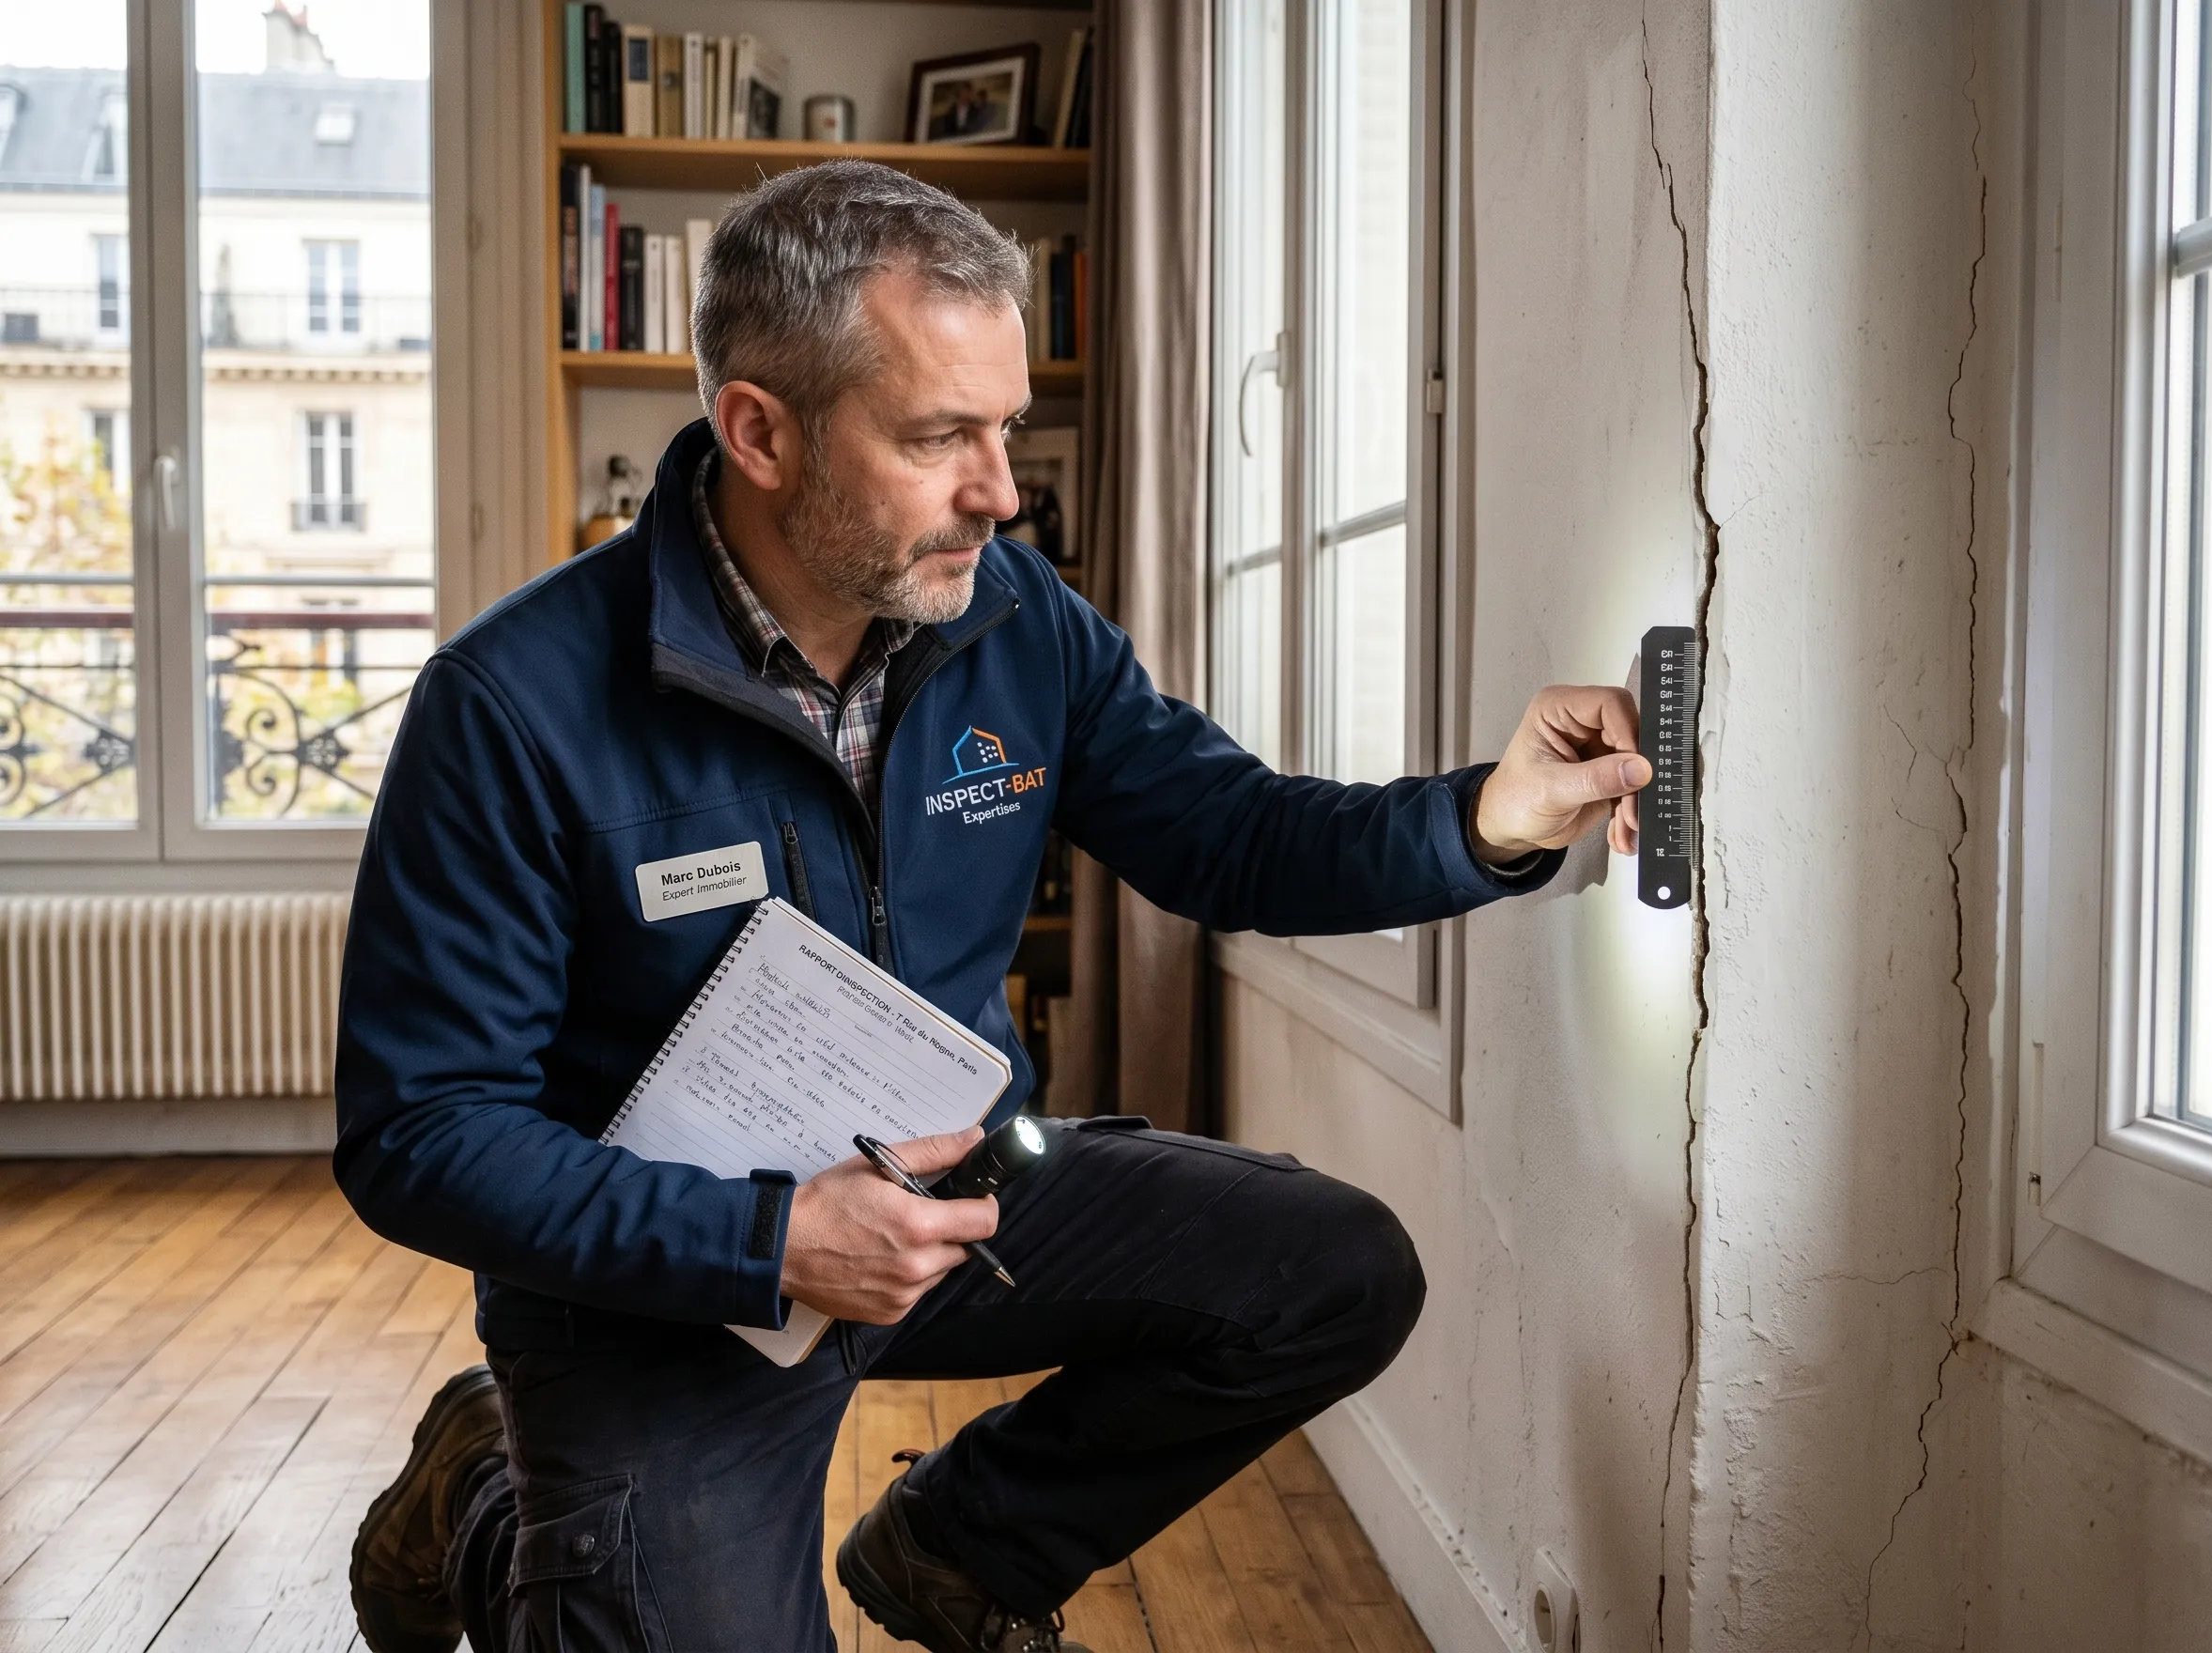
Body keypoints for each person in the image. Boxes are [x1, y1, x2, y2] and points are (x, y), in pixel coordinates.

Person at [336, 160, 1649, 1653]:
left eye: (1005, 426)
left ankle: (959, 1549)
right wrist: (767, 1241)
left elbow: (1232, 836)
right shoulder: (508, 705)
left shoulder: (1020, 621)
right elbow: (420, 1132)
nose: (1002, 491)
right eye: (936, 437)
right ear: (759, 431)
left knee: (1332, 1273)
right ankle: (489, 1493)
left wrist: (1489, 819)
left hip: (961, 1191)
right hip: (665, 1280)